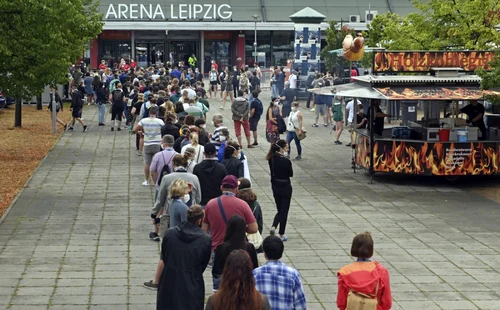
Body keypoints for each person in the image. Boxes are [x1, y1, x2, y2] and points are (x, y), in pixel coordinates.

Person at [156, 205, 211, 310]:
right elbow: (203, 263)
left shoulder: (170, 233)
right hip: (192, 282)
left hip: (169, 281)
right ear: (199, 220)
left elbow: (165, 256)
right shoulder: (205, 239)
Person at [151, 154, 202, 241]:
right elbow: (198, 198)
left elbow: (160, 198)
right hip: (191, 215)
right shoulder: (194, 178)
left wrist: (154, 213)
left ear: (173, 164)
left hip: (170, 214)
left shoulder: (167, 178)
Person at [202, 175, 258, 253]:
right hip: (238, 249)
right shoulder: (243, 205)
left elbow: (204, 230)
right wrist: (240, 228)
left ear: (221, 187)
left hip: (217, 249)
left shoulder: (210, 204)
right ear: (236, 189)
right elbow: (254, 228)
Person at [337, 232, 392, 310]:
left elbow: (341, 303)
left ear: (353, 248)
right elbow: (387, 303)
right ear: (371, 249)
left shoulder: (345, 272)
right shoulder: (382, 271)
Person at [254, 236, 307, 310]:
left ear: (265, 254)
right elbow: (300, 305)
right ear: (281, 253)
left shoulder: (255, 274)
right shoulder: (293, 274)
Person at [211, 215, 259, 291]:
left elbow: (216, 272)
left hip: (226, 288)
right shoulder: (249, 248)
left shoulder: (221, 248)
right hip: (246, 288)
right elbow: (255, 270)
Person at [266, 140, 293, 241]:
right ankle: (281, 233)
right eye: (286, 147)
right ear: (281, 148)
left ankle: (274, 225)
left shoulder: (271, 159)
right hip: (285, 186)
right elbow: (290, 173)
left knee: (279, 209)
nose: (287, 149)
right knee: (284, 210)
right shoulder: (286, 161)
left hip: (275, 186)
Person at [134, 105, 165, 186]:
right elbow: (164, 130)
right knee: (158, 162)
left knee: (147, 163)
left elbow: (134, 130)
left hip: (147, 143)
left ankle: (147, 180)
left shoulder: (144, 121)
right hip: (157, 143)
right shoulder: (160, 121)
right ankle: (157, 180)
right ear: (157, 113)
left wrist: (140, 132)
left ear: (149, 113)